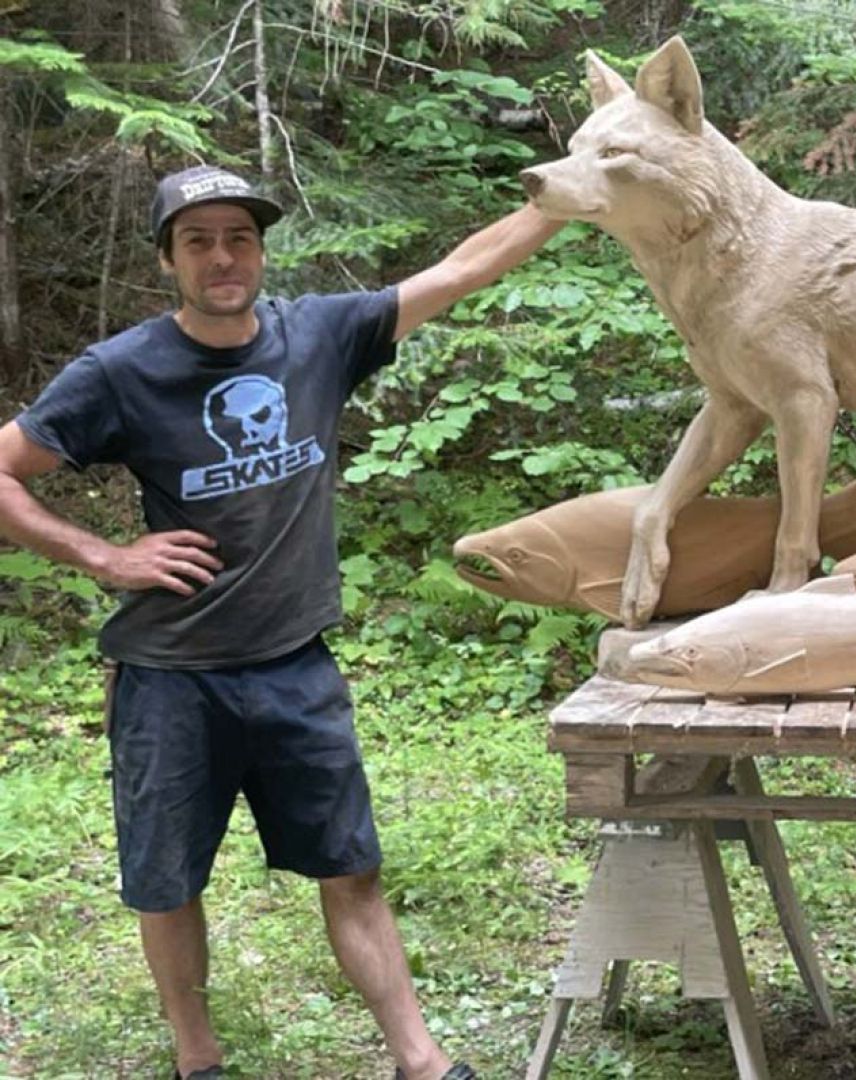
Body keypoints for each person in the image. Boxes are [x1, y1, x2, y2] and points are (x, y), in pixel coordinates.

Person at [0, 164, 565, 1080]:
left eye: (239, 238)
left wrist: (572, 194)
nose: (222, 257)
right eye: (198, 241)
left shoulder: (321, 336)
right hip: (172, 681)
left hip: (297, 667)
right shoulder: (120, 371)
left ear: (260, 250)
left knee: (352, 868)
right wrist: (105, 559)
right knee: (169, 883)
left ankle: (420, 1061)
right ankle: (199, 1061)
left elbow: (460, 271)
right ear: (167, 260)